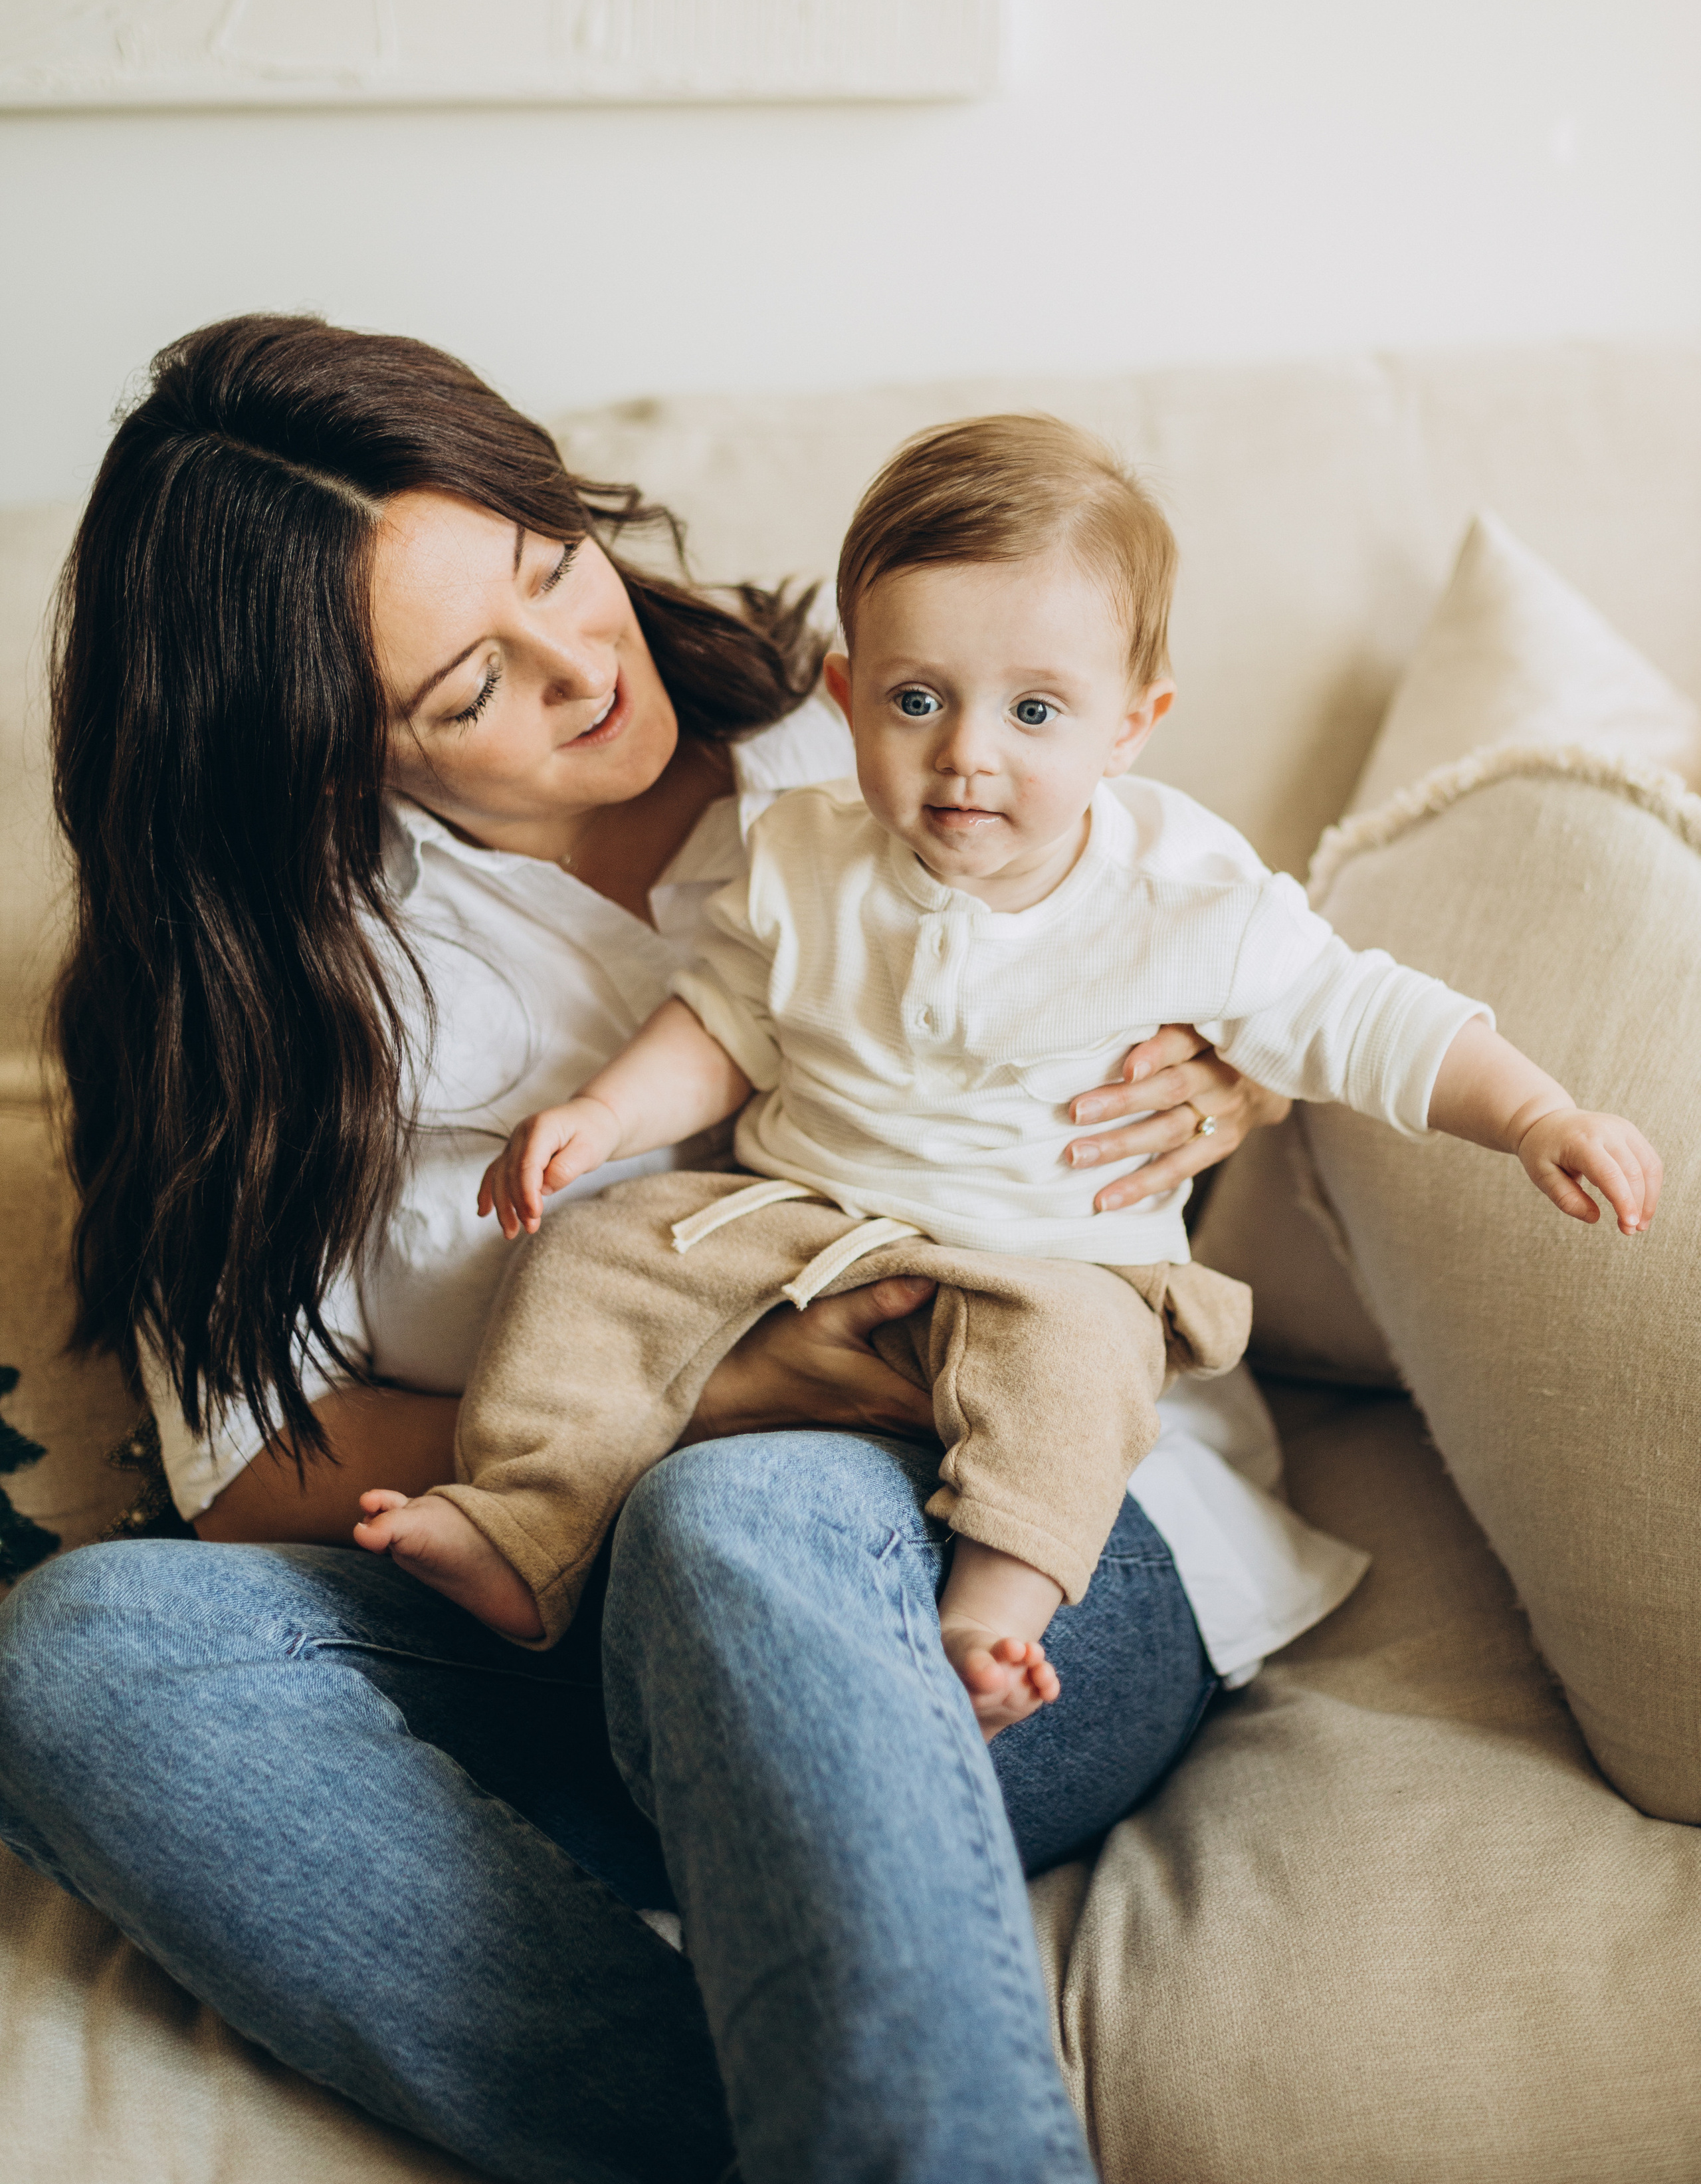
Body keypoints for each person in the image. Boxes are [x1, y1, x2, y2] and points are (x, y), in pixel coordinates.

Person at [0, 317, 1313, 2184]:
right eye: (473, 686)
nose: (584, 663)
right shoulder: (271, 988)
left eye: (557, 566)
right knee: (82, 1660)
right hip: (540, 1613)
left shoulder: (867, 731)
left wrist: (1236, 1075)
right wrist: (703, 1395)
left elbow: (1229, 929)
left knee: (745, 1522)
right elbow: (251, 1470)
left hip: (999, 1575)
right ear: (315, 755)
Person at [355, 414, 1662, 1737]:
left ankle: (996, 1610)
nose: (965, 753)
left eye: (1034, 711)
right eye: (915, 701)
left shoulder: (1180, 893)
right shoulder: (806, 849)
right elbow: (726, 1020)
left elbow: (1364, 1014)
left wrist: (1533, 1114)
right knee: (588, 1259)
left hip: (1051, 1261)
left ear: (1130, 726)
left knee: (1080, 1372)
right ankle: (524, 1525)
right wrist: (598, 1114)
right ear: (844, 690)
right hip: (797, 1229)